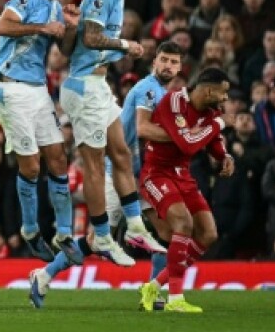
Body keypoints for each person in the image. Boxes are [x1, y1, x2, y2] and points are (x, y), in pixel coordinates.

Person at [30, 41, 182, 308]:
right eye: (164, 60)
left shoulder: (163, 93)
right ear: (154, 61)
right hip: (119, 176)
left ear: (180, 67)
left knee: (167, 233)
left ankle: (151, 291)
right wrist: (185, 137)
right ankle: (44, 275)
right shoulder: (148, 89)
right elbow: (143, 130)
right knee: (98, 240)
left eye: (174, 62)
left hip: (143, 176)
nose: (168, 66)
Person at [58, 0, 163, 267]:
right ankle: (101, 235)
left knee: (122, 152)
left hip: (98, 86)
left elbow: (72, 44)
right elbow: (91, 38)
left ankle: (133, 226)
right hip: (83, 87)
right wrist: (125, 45)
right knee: (93, 164)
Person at [0, 0, 82, 263]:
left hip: (38, 89)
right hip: (11, 87)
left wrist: (69, 27)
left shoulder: (56, 7)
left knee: (58, 158)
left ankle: (65, 234)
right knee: (31, 167)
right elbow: (1, 26)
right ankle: (30, 231)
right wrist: (44, 27)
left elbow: (65, 51)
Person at [136, 68, 235, 314]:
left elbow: (211, 139)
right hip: (156, 174)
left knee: (208, 233)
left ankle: (153, 286)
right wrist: (220, 123)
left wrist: (224, 156)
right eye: (223, 93)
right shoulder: (174, 102)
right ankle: (175, 298)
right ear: (209, 90)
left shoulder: (211, 112)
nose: (225, 99)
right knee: (183, 223)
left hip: (183, 176)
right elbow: (188, 144)